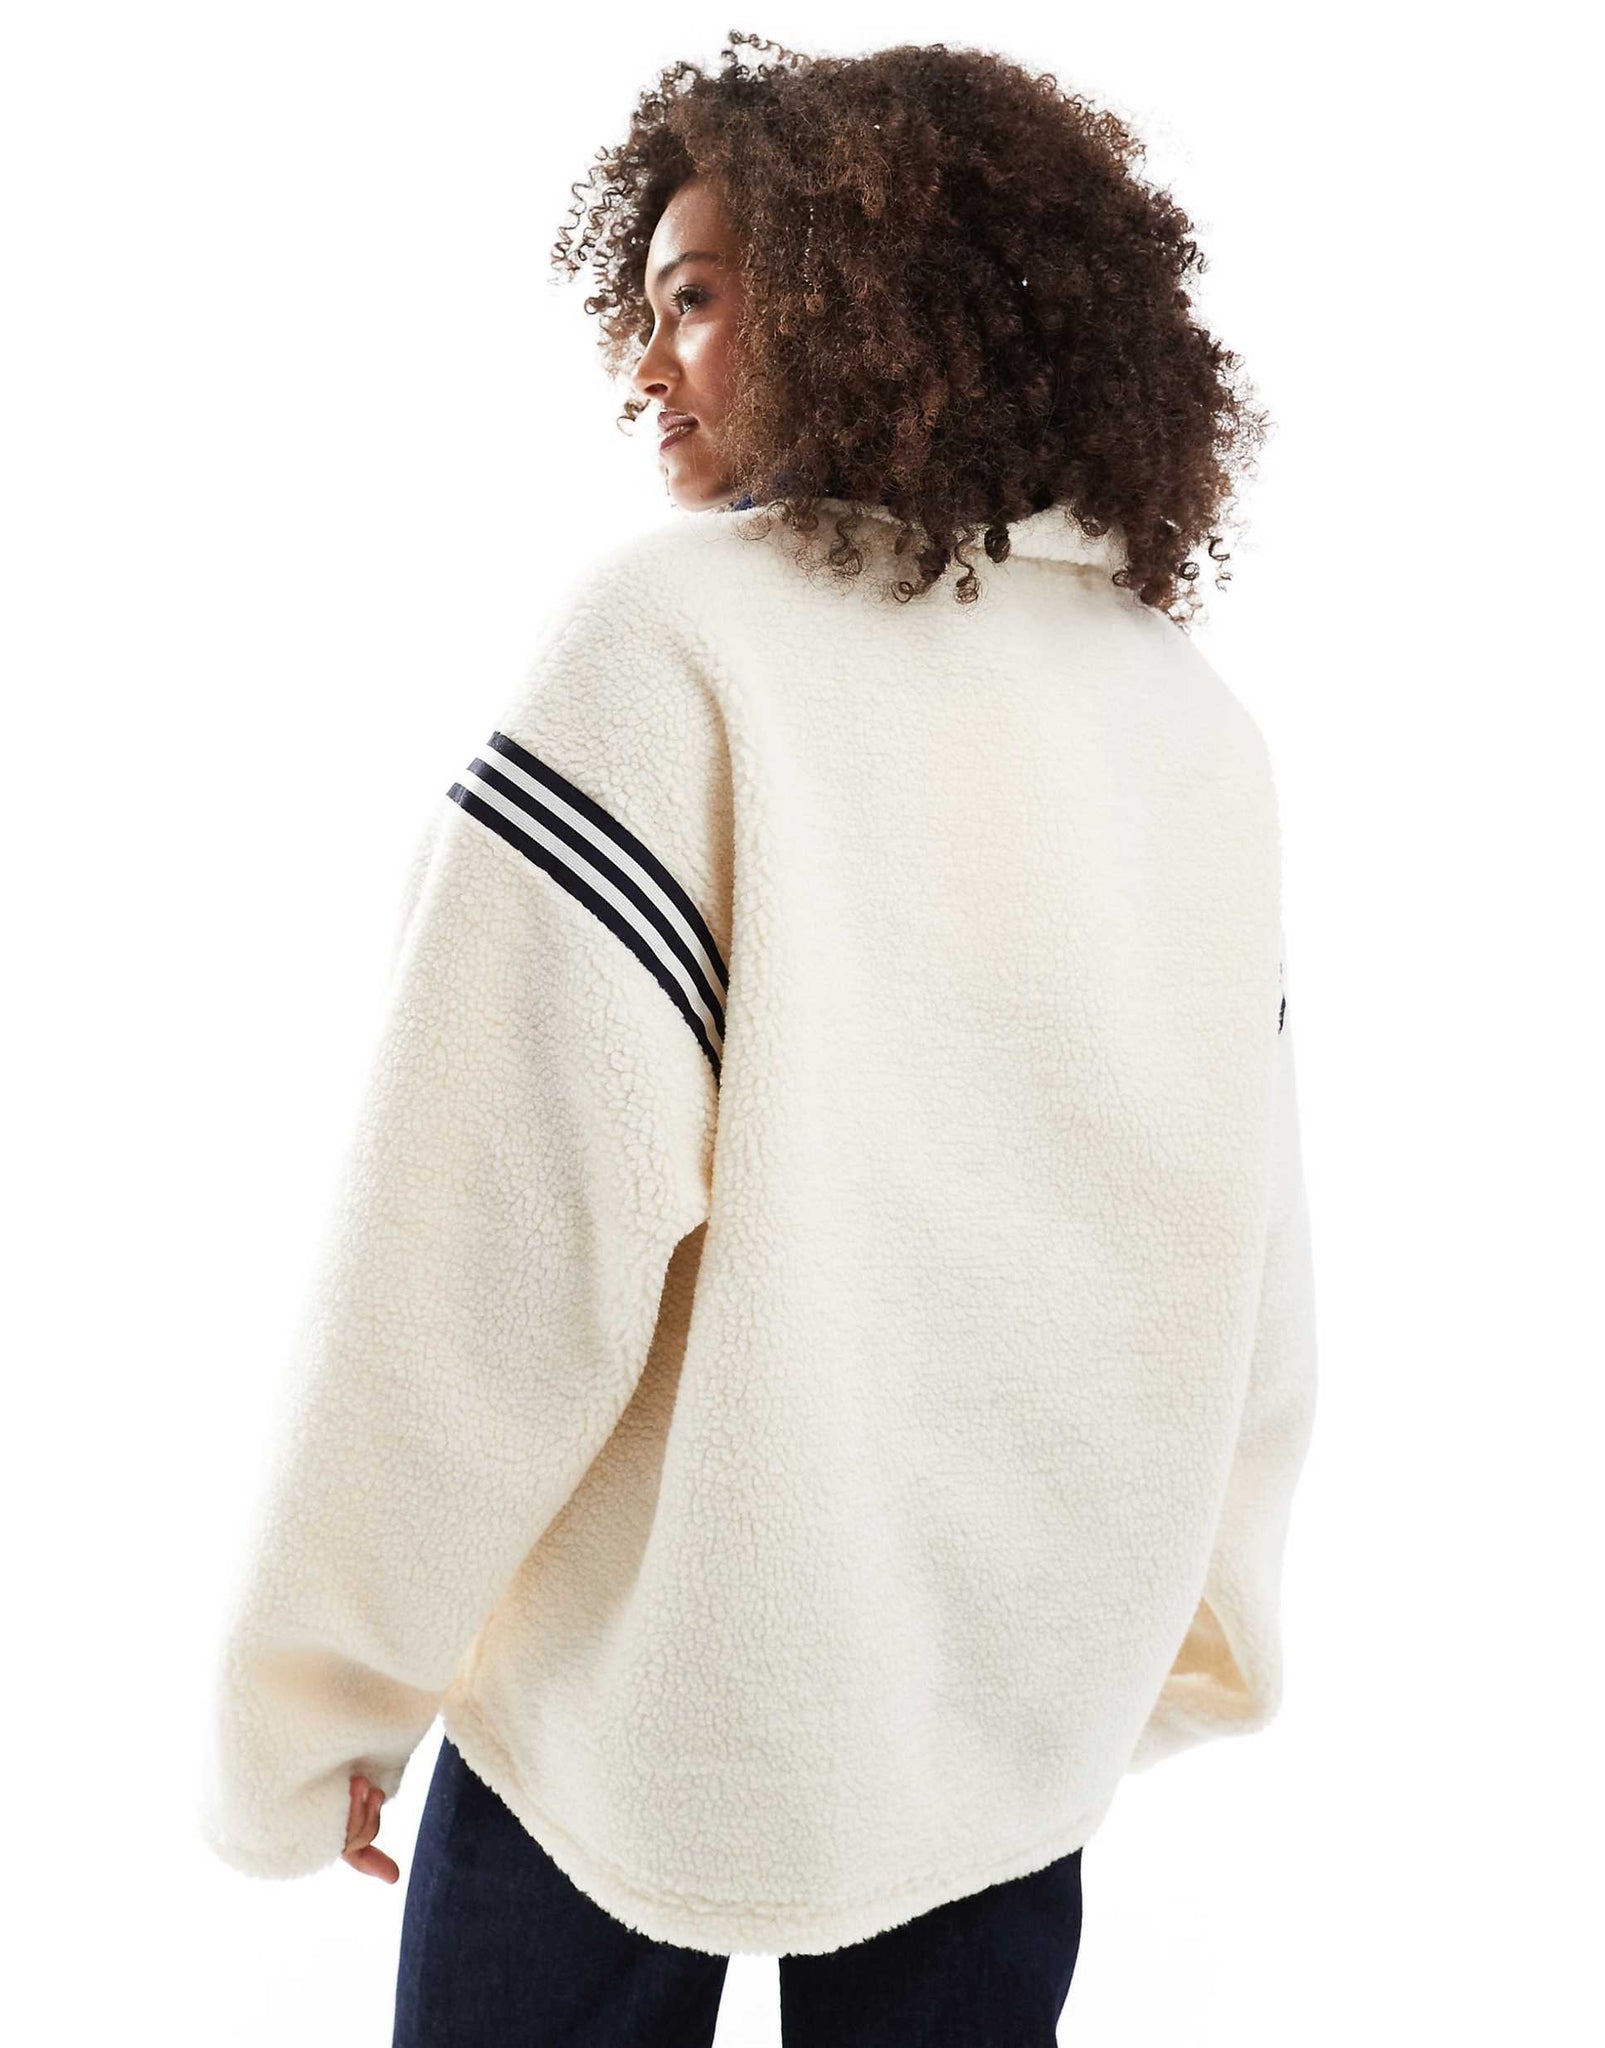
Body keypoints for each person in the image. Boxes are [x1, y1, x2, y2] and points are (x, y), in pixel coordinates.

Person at [199, 33, 1318, 2048]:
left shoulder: (674, 644)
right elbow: (1239, 1255)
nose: (648, 363)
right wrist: (1200, 1613)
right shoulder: (1189, 726)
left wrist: (326, 1692)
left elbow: (484, 1240)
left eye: (697, 297)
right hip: (1002, 1711)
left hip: (654, 1701)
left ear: (868, 294)